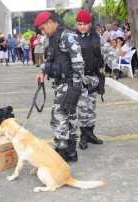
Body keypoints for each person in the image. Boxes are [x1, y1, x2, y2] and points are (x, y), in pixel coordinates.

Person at [34, 11, 85, 162]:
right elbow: (49, 59)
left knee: (58, 117)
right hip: (59, 83)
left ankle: (61, 152)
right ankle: (71, 152)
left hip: (69, 83)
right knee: (68, 117)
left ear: (50, 22)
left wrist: (76, 86)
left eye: (43, 28)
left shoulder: (67, 36)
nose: (42, 32)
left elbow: (78, 63)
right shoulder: (51, 38)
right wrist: (42, 72)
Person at [75, 10, 117, 150]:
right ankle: (84, 136)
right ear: (76, 23)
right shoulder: (71, 38)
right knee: (82, 108)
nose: (82, 27)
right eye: (79, 24)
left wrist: (114, 67)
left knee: (91, 108)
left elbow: (109, 52)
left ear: (90, 24)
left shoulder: (97, 37)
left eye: (85, 24)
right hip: (78, 79)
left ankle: (90, 133)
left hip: (93, 78)